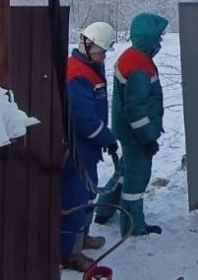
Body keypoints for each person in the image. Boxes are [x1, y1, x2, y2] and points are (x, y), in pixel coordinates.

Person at [94, 12, 169, 236]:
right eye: (158, 37)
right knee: (137, 178)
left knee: (125, 170)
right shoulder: (139, 66)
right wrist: (147, 138)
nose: (160, 41)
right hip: (136, 135)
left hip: (126, 131)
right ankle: (133, 225)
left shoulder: (131, 56)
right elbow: (136, 109)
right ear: (148, 38)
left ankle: (104, 209)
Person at [61, 21, 119, 272]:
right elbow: (83, 119)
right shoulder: (77, 73)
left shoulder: (91, 68)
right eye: (100, 51)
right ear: (86, 45)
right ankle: (69, 253)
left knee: (88, 194)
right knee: (76, 200)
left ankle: (82, 237)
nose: (103, 56)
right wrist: (106, 137)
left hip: (88, 149)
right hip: (77, 149)